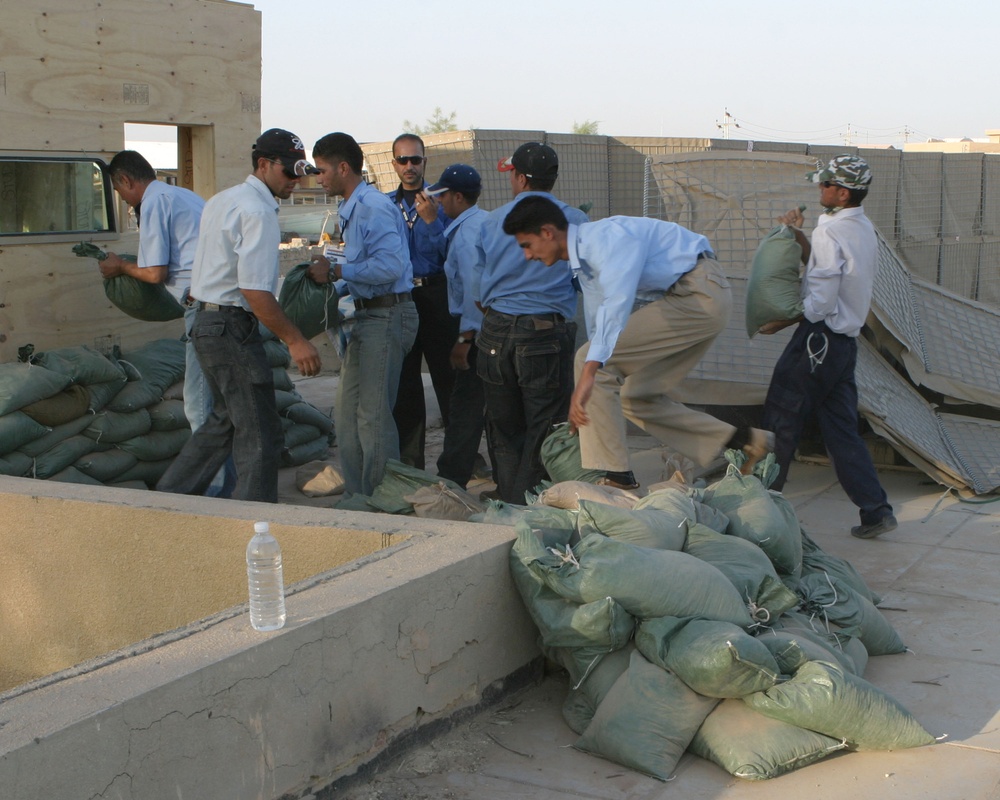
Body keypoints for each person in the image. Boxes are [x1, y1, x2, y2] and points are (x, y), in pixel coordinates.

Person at [502, 195, 772, 489]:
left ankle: (616, 476)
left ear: (547, 232)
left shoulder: (605, 239)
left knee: (589, 361)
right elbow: (599, 325)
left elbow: (617, 303)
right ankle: (747, 441)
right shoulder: (584, 264)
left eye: (526, 245)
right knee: (633, 395)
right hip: (694, 297)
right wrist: (592, 393)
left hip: (698, 295)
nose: (528, 256)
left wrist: (590, 375)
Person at [157, 129, 322, 503]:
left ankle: (167, 500)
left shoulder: (222, 200)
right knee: (260, 431)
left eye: (301, 173)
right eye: (290, 172)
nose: (296, 181)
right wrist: (295, 340)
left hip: (205, 322)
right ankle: (256, 522)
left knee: (224, 422)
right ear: (263, 165)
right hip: (230, 327)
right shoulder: (258, 211)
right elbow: (254, 291)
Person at [758, 154, 896, 539]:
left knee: (781, 416)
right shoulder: (861, 228)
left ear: (843, 192)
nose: (819, 189)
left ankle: (760, 511)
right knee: (841, 430)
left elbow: (819, 302)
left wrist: (781, 321)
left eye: (825, 185)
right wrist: (799, 237)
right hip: (843, 345)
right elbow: (829, 268)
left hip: (817, 341)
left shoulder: (831, 232)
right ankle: (875, 510)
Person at [99, 150, 235, 497]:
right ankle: (228, 485)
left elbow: (155, 272)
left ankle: (215, 494)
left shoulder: (154, 204)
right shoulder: (181, 194)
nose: (124, 199)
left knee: (199, 405)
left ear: (126, 181)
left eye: (119, 191)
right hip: (222, 304)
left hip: (203, 308)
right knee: (220, 404)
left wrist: (120, 268)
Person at [473, 142, 588, 503]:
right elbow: (583, 280)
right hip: (545, 333)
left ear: (520, 178)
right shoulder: (575, 222)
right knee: (545, 428)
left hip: (495, 330)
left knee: (504, 428)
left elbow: (477, 289)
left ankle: (509, 503)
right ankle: (530, 509)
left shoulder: (492, 222)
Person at [307, 132, 418, 497]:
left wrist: (338, 273)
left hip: (387, 315)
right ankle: (359, 497)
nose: (318, 178)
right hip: (367, 316)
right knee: (348, 412)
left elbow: (389, 267)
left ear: (343, 167)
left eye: (322, 171)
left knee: (372, 417)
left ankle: (382, 501)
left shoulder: (371, 207)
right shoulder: (352, 206)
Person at [387, 133, 458, 470]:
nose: (410, 167)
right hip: (402, 296)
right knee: (406, 381)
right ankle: (410, 461)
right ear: (394, 165)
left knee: (449, 379)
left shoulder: (442, 204)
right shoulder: (386, 206)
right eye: (403, 160)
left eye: (416, 160)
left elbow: (452, 256)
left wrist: (431, 222)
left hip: (436, 293)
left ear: (425, 162)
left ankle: (462, 457)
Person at [424, 164, 491, 489]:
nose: (439, 203)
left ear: (459, 197)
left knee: (465, 406)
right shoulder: (483, 222)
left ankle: (451, 480)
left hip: (478, 331)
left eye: (443, 196)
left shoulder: (466, 236)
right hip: (492, 327)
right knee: (491, 406)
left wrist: (465, 337)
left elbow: (474, 291)